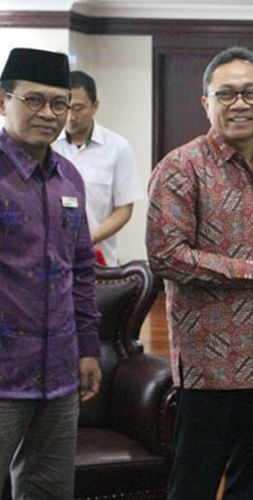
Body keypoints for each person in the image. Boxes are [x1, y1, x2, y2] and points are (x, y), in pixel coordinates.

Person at [146, 46, 253, 500]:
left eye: (251, 93)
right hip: (212, 368)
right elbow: (166, 255)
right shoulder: (180, 168)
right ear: (206, 102)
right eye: (227, 94)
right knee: (192, 486)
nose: (239, 104)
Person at [0, 47, 101, 498]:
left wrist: (87, 348)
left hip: (59, 376)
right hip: (3, 373)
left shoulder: (70, 179)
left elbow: (80, 269)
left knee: (48, 491)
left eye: (59, 103)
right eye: (33, 100)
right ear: (3, 102)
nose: (48, 113)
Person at [52, 70, 143, 267]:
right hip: (51, 259)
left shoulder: (118, 148)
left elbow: (124, 210)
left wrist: (87, 239)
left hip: (99, 260)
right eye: (65, 108)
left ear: (95, 106)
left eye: (78, 108)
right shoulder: (47, 146)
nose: (71, 117)